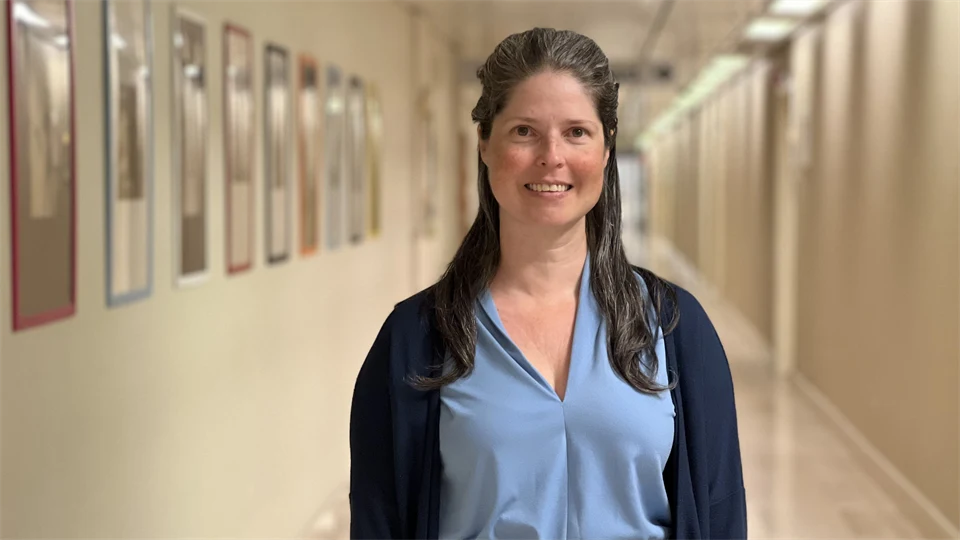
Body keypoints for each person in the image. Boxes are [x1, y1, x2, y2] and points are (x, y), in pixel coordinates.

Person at [349, 27, 746, 540]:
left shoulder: (675, 328)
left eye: (576, 132)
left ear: (606, 148)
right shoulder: (417, 338)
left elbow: (719, 510)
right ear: (484, 143)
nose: (551, 156)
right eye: (524, 131)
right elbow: (380, 518)